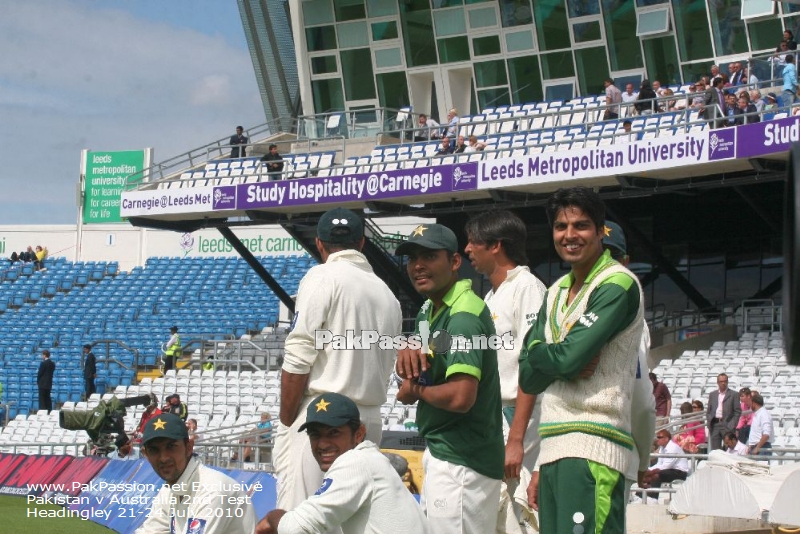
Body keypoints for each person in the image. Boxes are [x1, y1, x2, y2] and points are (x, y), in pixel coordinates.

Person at [519, 186, 644, 533]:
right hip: (555, 449)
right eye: (561, 227)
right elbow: (528, 375)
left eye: (581, 225)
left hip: (595, 450)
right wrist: (556, 358)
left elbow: (565, 358)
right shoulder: (556, 290)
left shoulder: (617, 283)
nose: (570, 235)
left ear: (600, 229)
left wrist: (552, 356)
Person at [274, 207, 402, 512]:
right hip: (368, 421)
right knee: (351, 522)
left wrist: (286, 422)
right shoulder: (388, 295)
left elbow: (299, 354)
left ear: (319, 243)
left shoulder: (322, 276)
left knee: (300, 520)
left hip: (323, 418)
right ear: (361, 244)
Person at [394, 223, 504, 533]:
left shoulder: (463, 317)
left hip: (464, 460)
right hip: (445, 453)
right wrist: (407, 349)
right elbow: (413, 372)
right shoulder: (430, 310)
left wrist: (416, 390)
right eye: (412, 258)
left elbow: (460, 397)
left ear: (454, 262)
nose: (417, 266)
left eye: (429, 256)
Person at [464, 210, 546, 531]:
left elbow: (535, 365)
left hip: (520, 421)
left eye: (474, 242)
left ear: (496, 245)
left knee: (524, 517)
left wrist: (516, 439)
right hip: (494, 419)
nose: (467, 249)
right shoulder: (490, 296)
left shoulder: (527, 287)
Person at [255, 393, 430, 534]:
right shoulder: (369, 459)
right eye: (315, 434)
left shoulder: (355, 462)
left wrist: (272, 518)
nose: (323, 444)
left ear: (359, 433)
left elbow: (298, 528)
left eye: (334, 432)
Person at [602, 220, 656, 519]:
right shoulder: (629, 315)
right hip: (609, 455)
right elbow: (643, 404)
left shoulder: (559, 302)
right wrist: (644, 460)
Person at [136, 413, 257, 534]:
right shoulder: (170, 489)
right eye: (154, 450)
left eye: (171, 446)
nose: (163, 458)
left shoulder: (213, 489)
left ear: (189, 447)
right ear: (145, 454)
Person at [642, 430, 688, 494]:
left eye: (659, 437)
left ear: (666, 439)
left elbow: (666, 466)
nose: (657, 439)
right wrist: (649, 470)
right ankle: (640, 496)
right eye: (657, 437)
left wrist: (651, 471)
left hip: (680, 472)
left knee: (657, 474)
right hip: (670, 470)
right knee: (648, 474)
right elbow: (659, 464)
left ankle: (652, 498)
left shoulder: (672, 447)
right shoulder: (662, 448)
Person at [706, 373, 741, 451]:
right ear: (718, 382)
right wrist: (709, 421)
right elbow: (709, 410)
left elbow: (737, 411)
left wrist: (732, 425)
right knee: (715, 450)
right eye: (721, 381)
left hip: (727, 424)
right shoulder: (712, 394)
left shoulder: (734, 394)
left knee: (729, 449)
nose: (723, 383)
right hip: (715, 424)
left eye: (725, 381)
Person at [746, 392, 773, 456]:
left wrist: (757, 447)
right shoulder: (758, 414)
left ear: (754, 403)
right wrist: (751, 446)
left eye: (750, 402)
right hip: (756, 447)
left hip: (762, 447)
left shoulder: (764, 414)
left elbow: (766, 434)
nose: (749, 405)